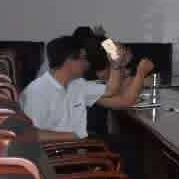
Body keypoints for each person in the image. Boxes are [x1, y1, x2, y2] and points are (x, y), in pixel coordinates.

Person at [21, 35, 155, 139]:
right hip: (57, 154)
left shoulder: (76, 84)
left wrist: (116, 64)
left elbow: (111, 90)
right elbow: (30, 134)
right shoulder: (37, 92)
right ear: (69, 61)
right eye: (83, 58)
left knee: (128, 145)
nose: (86, 63)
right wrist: (74, 137)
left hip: (76, 146)